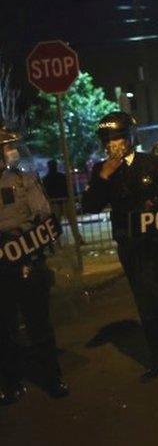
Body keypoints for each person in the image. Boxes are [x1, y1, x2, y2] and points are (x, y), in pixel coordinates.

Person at [81, 112, 158, 382]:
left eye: (117, 138)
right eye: (107, 140)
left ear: (130, 138)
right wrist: (103, 179)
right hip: (132, 248)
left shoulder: (153, 164)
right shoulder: (102, 170)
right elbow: (89, 206)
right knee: (146, 304)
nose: (112, 144)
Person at [0, 127, 69, 404]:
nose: (10, 151)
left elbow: (43, 212)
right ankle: (11, 382)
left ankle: (52, 378)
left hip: (26, 257)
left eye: (10, 146)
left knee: (39, 324)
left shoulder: (23, 178)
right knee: (5, 328)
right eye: (5, 147)